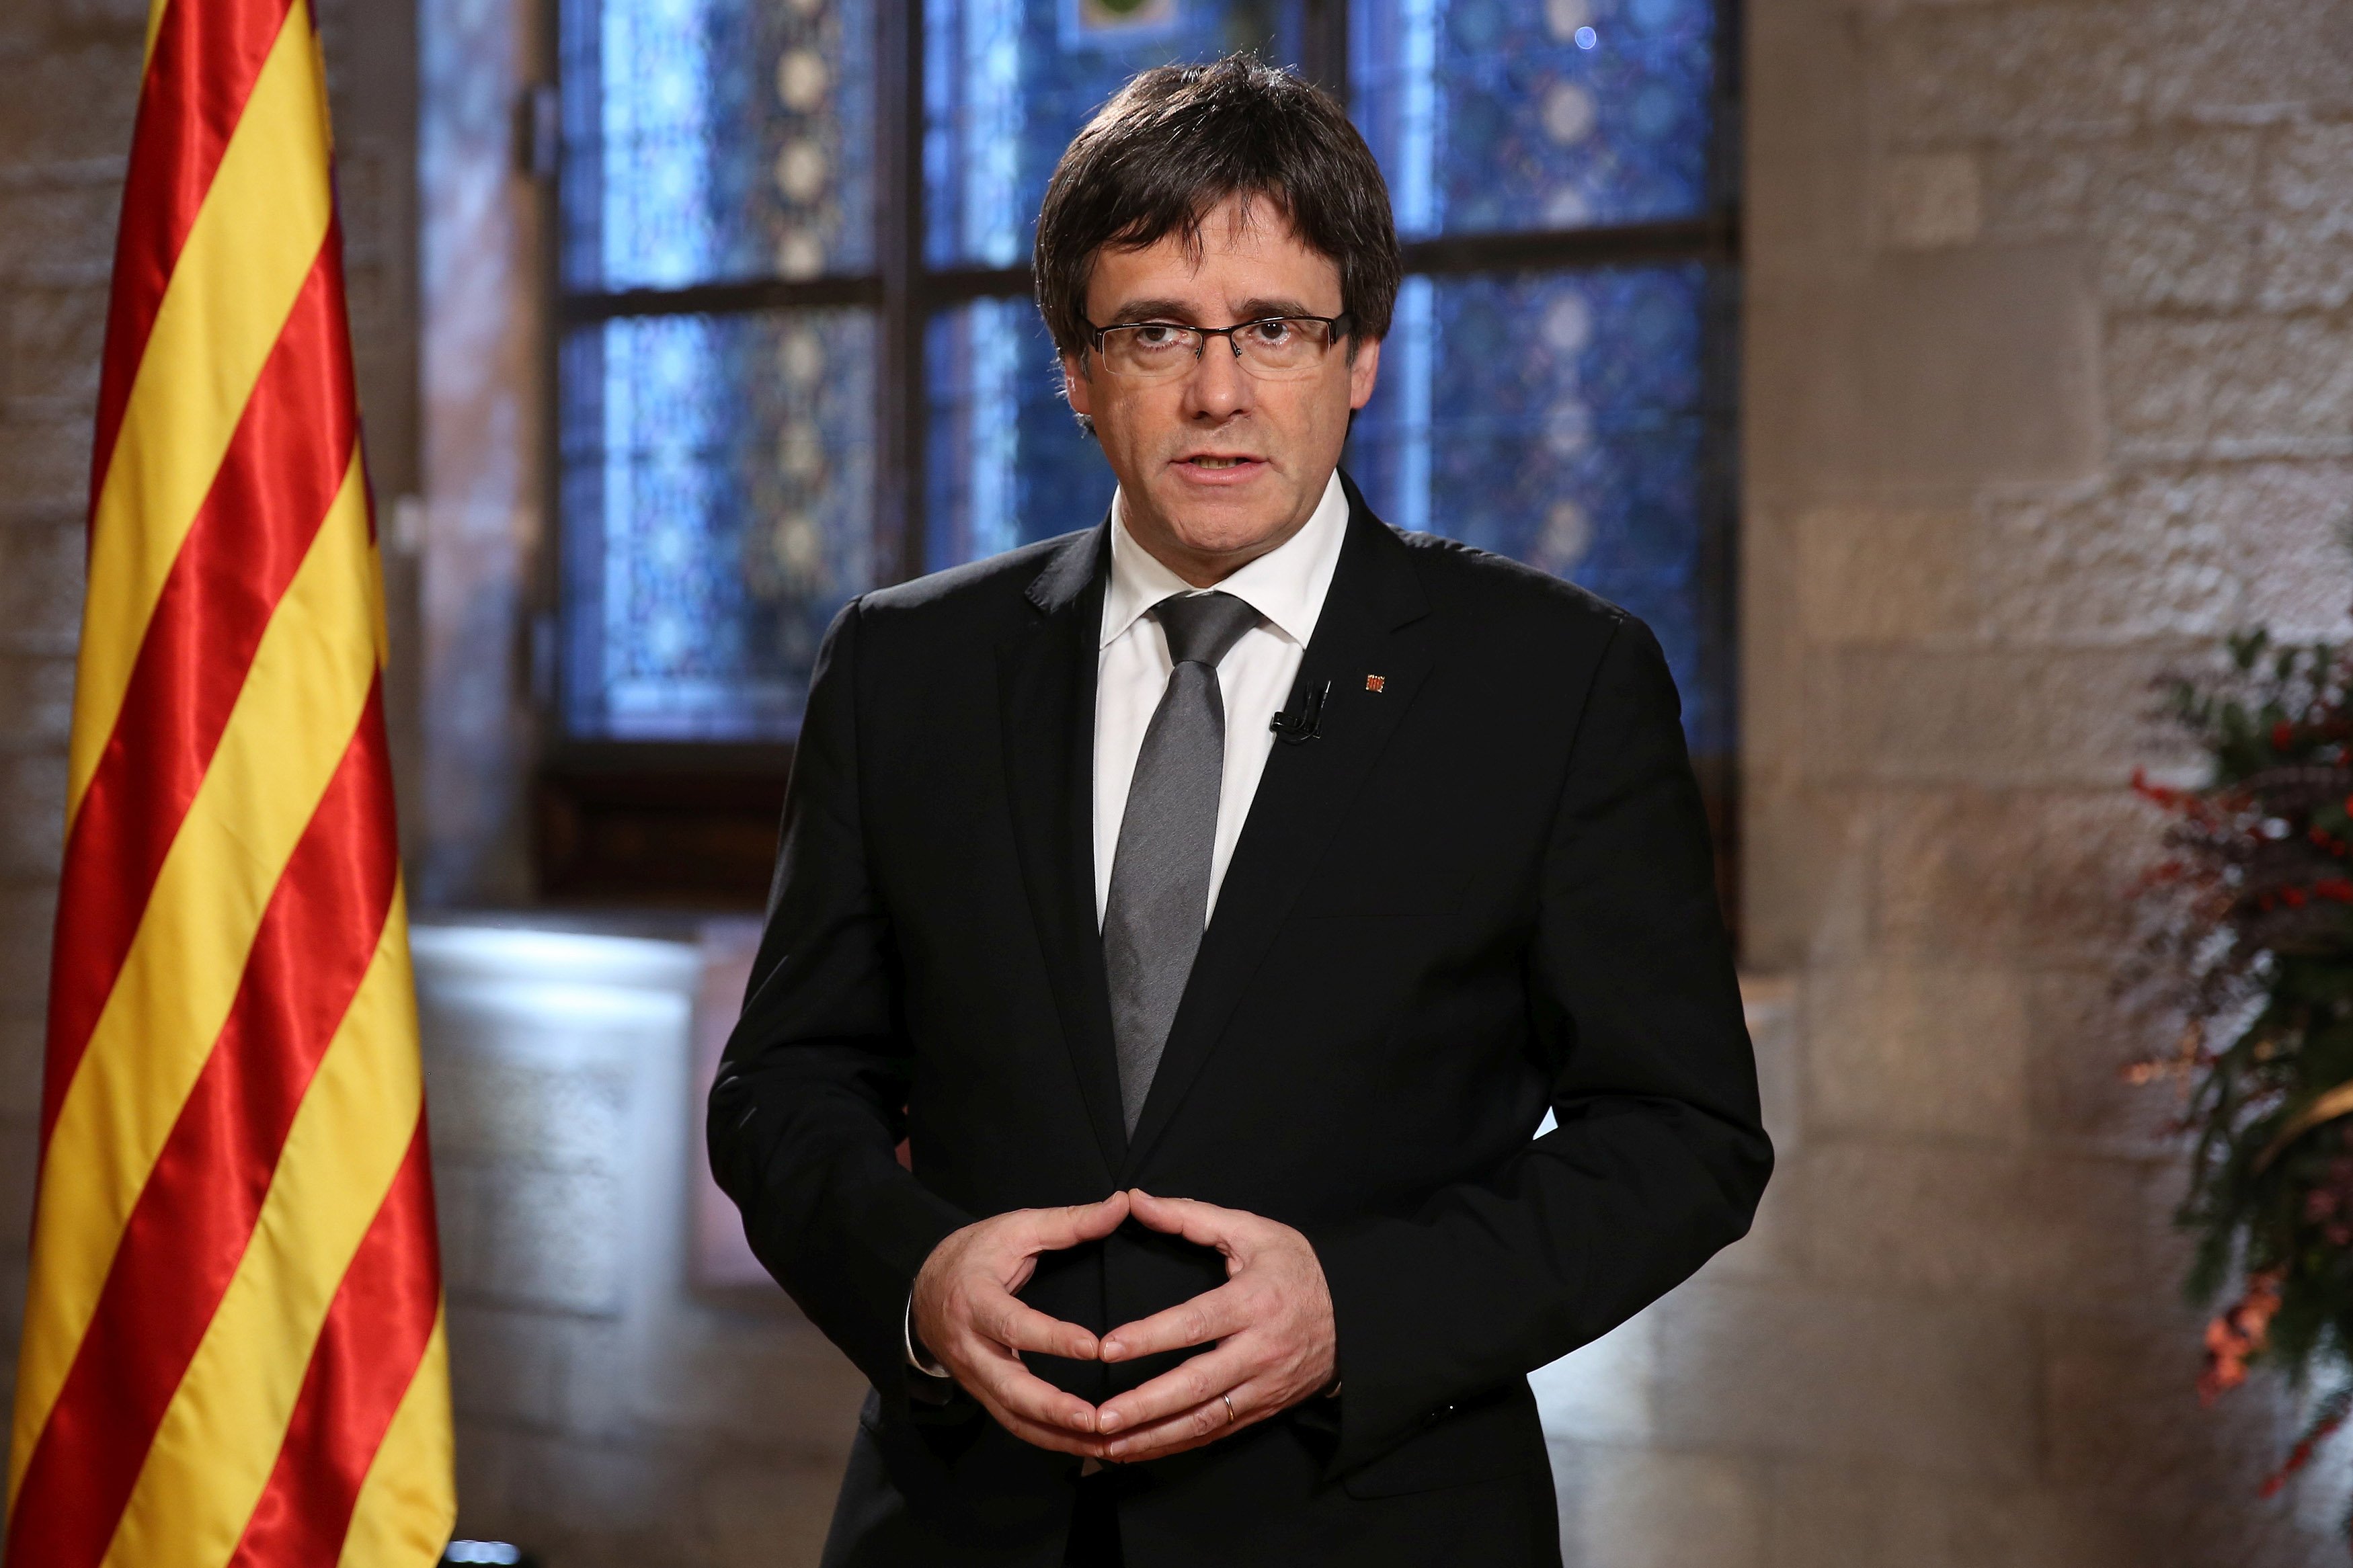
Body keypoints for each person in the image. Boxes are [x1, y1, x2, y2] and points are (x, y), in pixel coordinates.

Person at [707, 55, 1771, 1568]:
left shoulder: (1557, 681)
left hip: (1371, 1519)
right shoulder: (907, 667)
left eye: (1274, 326)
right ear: (1075, 370)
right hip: (963, 1523)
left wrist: (1361, 1308)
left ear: (1360, 356)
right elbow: (782, 1086)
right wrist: (920, 1279)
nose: (1219, 393)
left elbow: (1681, 1137)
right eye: (1156, 332)